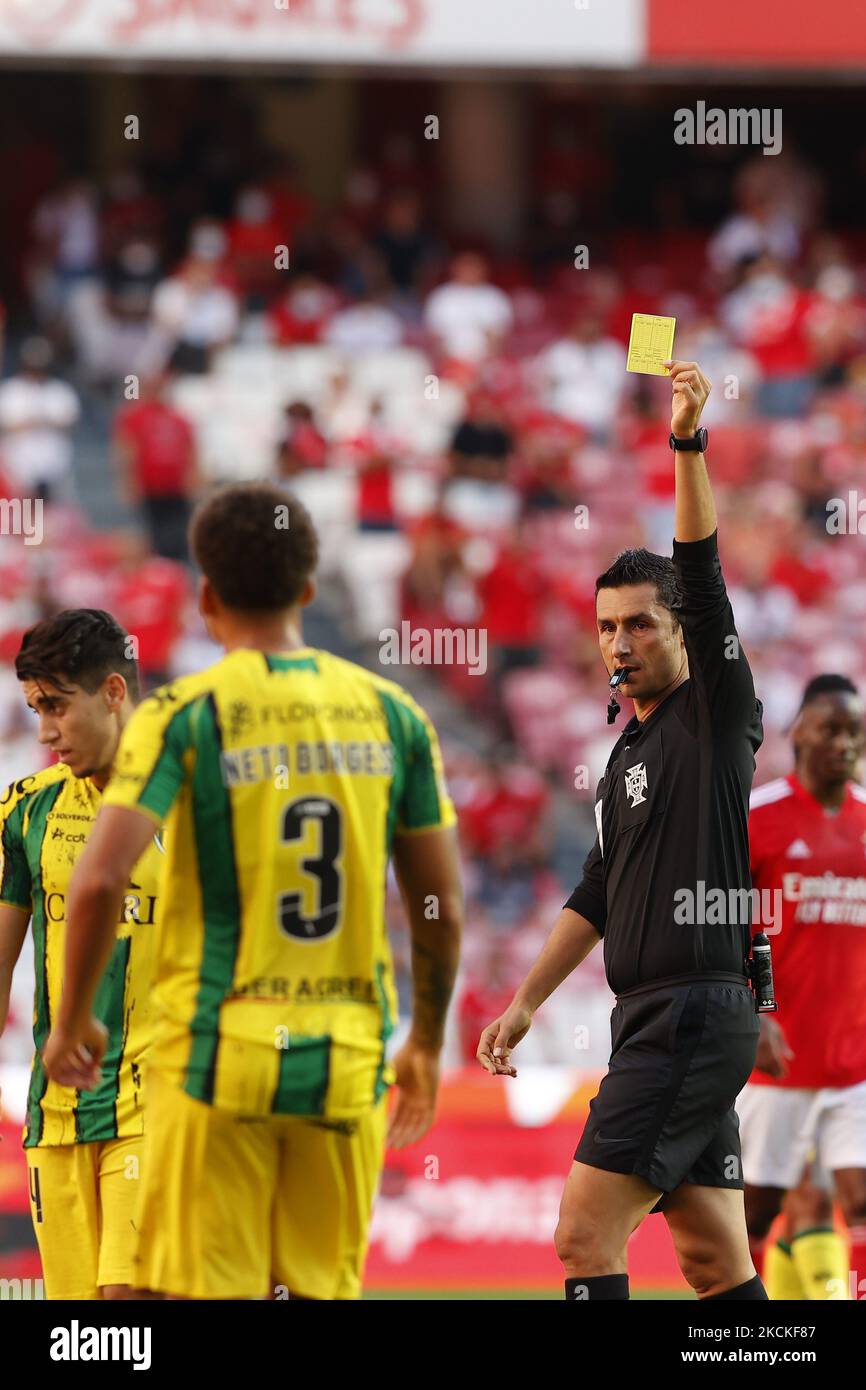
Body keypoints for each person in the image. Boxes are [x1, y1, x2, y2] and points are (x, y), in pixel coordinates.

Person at [43, 482, 463, 1301]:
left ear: (204, 597)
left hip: (213, 1055)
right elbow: (439, 906)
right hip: (345, 1055)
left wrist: (73, 1021)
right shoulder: (394, 714)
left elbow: (98, 878)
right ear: (309, 589)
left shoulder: (182, 715)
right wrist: (429, 1039)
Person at [478, 361, 768, 1301]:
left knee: (582, 1238)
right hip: (662, 1017)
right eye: (606, 628)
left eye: (639, 625)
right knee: (717, 1266)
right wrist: (524, 1001)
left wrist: (685, 442)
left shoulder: (714, 710)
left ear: (686, 633)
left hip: (686, 1016)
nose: (618, 643)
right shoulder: (627, 753)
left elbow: (702, 568)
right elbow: (598, 890)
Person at [0, 610, 160, 1299]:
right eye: (36, 709)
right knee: (84, 1341)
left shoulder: (189, 803)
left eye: (58, 706)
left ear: (114, 691)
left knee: (124, 1306)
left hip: (162, 1105)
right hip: (56, 1118)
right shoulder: (24, 812)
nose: (45, 732)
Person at [739, 674, 866, 1300]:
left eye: (853, 732)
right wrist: (753, 1009)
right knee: (754, 1214)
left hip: (855, 1060)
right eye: (830, 729)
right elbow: (714, 923)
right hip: (776, 1061)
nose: (842, 743)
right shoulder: (758, 818)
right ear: (797, 735)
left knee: (859, 1198)